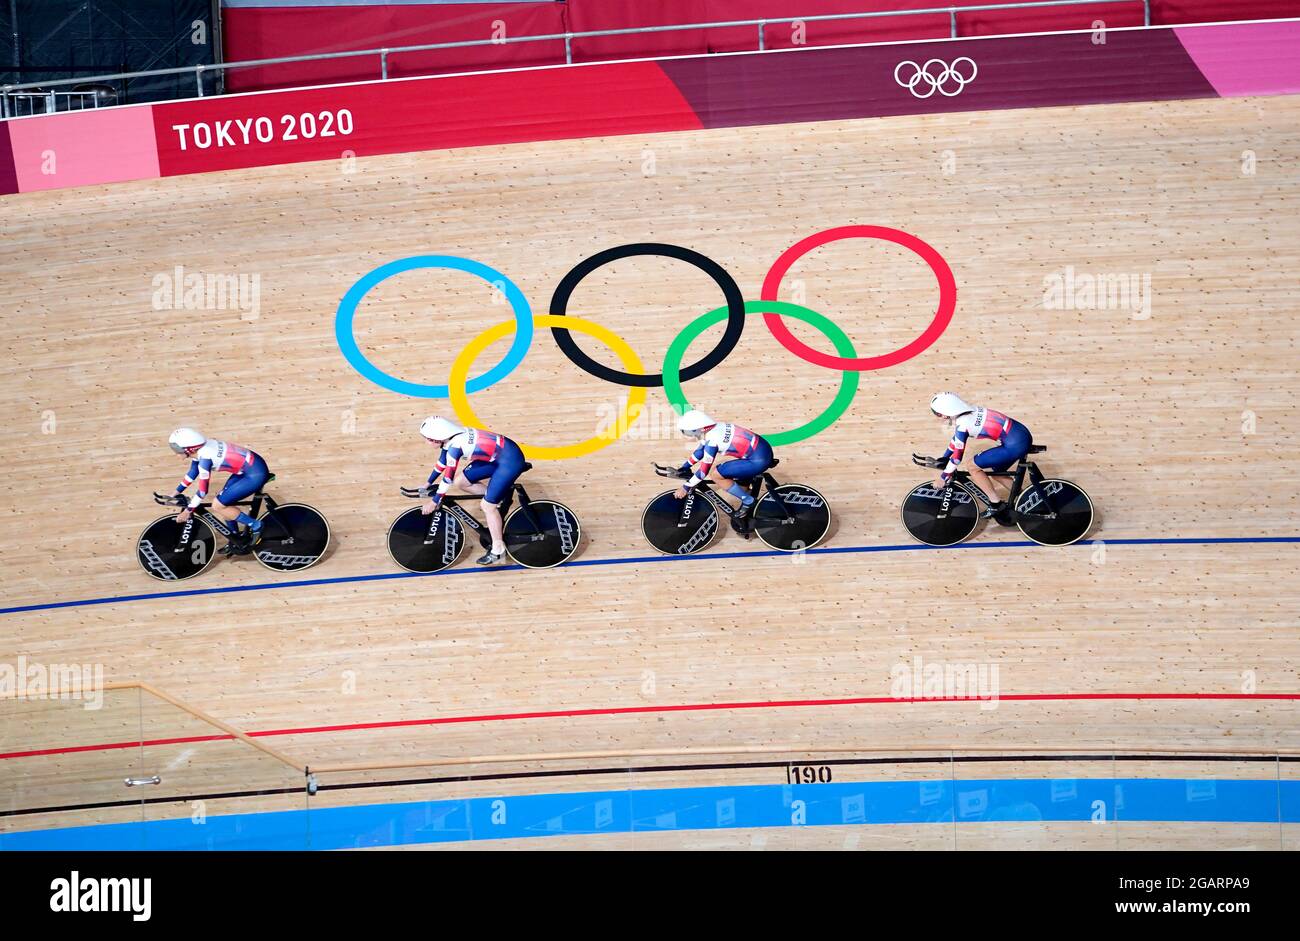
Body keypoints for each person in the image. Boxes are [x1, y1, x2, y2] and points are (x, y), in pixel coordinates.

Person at [418, 416, 526, 566]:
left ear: (437, 439)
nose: (426, 442)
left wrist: (434, 501)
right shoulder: (450, 439)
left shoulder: (456, 447)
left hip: (509, 460)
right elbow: (442, 462)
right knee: (461, 481)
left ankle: (498, 550)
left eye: (428, 439)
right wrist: (427, 483)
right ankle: (498, 497)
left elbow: (447, 478)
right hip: (497, 456)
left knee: (487, 506)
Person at [928, 393, 1033, 518]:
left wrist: (943, 477)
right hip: (1020, 435)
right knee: (996, 472)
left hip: (1015, 444)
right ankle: (1026, 499)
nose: (938, 417)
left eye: (937, 414)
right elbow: (956, 439)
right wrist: (945, 457)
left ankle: (996, 504)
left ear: (945, 413)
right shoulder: (970, 410)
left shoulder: (963, 424)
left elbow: (956, 458)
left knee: (972, 466)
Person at [168, 428, 270, 551]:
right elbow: (192, 472)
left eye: (177, 450)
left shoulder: (205, 459)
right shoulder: (200, 450)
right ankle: (235, 539)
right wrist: (175, 492)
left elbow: (202, 491)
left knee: (218, 505)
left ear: (190, 449)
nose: (175, 453)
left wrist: (188, 511)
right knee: (225, 503)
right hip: (247, 469)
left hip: (255, 474)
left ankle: (256, 525)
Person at [674, 410, 775, 533]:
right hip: (761, 451)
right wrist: (684, 467)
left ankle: (749, 501)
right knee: (740, 486)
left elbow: (703, 472)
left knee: (716, 474)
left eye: (688, 431)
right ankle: (751, 501)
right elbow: (700, 451)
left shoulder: (713, 440)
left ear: (700, 428)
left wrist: (686, 487)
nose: (687, 434)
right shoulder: (714, 428)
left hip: (758, 460)